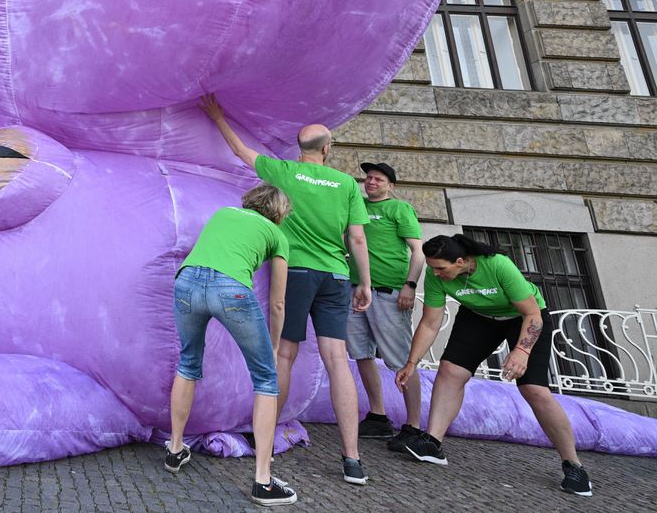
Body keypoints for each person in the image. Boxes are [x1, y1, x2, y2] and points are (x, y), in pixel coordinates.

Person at [199, 94, 373, 485]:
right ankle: (353, 459)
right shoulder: (346, 183)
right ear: (328, 149)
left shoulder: (285, 172)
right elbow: (357, 238)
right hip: (335, 275)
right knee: (337, 358)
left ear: (302, 150)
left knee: (286, 354)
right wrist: (364, 282)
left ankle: (267, 443)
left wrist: (218, 116)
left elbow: (241, 151)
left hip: (296, 272)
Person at [393, 233, 593, 497]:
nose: (436, 273)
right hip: (478, 317)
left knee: (534, 389)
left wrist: (521, 350)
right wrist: (411, 363)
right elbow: (430, 323)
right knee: (450, 370)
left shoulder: (497, 264)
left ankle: (573, 465)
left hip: (523, 318)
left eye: (441, 268)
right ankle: (432, 443)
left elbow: (532, 314)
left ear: (461, 261)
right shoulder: (435, 276)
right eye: (432, 268)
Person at [164, 183, 296, 506]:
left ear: (251, 201)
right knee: (266, 379)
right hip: (230, 289)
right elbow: (278, 303)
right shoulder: (278, 236)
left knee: (188, 363)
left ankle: (175, 449)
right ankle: (263, 482)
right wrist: (275, 345)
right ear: (279, 212)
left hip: (187, 281)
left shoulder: (224, 213)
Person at [347, 161, 425, 450]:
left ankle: (414, 425)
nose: (371, 182)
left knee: (402, 359)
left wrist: (411, 285)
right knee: (361, 353)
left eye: (378, 179)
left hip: (390, 292)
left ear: (391, 185)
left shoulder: (399, 209)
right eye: (368, 178)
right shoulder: (357, 206)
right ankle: (378, 415)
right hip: (355, 292)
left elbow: (418, 251)